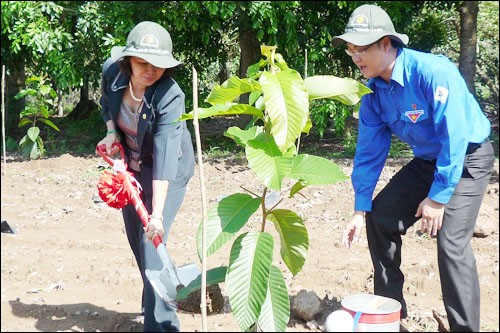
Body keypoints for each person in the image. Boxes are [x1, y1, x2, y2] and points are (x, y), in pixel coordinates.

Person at [333, 4, 494, 332]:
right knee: (379, 218)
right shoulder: (374, 93)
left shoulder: (432, 72)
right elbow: (369, 152)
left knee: (450, 242)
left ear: (387, 44)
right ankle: (390, 317)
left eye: (362, 49)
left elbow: (455, 135)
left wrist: (438, 197)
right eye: (351, 50)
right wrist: (359, 207)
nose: (356, 57)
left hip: (467, 158)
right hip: (428, 161)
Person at [96, 21, 195, 332]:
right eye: (142, 63)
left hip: (169, 169)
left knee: (151, 240)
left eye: (158, 65)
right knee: (137, 241)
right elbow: (106, 104)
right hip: (131, 166)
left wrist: (157, 216)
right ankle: (154, 297)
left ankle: (163, 326)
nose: (150, 71)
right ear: (128, 62)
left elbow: (165, 156)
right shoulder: (113, 73)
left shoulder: (169, 95)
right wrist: (112, 132)